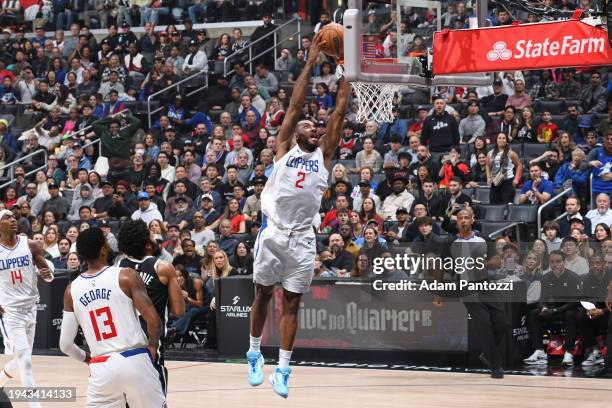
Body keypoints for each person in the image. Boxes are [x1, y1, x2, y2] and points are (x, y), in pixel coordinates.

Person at [246, 35, 352, 398]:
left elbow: (338, 109)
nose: (313, 126)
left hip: (304, 238)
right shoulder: (281, 150)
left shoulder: (323, 156)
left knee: (292, 303)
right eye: (307, 125)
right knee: (262, 296)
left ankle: (284, 368)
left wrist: (346, 69)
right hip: (273, 233)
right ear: (295, 134)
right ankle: (255, 352)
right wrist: (309, 61)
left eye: (314, 125)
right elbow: (294, 104)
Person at [59, 227, 167, 406]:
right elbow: (154, 320)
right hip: (135, 358)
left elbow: (65, 345)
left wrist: (88, 359)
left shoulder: (71, 290)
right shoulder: (126, 276)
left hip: (101, 367)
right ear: (103, 250)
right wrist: (153, 346)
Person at [116, 220, 185, 396]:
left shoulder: (118, 268)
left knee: (128, 396)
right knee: (155, 396)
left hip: (124, 340)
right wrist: (176, 290)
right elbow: (179, 311)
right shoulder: (162, 267)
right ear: (147, 244)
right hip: (150, 339)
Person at [0, 210, 54, 408]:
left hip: (30, 308)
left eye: (13, 217)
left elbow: (48, 276)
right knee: (25, 362)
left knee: (21, 360)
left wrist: (47, 274)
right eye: (6, 218)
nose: (12, 219)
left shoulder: (30, 245)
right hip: (10, 312)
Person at [451, 209, 508, 378]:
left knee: (502, 322)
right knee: (484, 324)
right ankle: (495, 365)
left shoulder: (483, 239)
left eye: (466, 217)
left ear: (472, 220)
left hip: (485, 285)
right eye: (460, 218)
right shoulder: (451, 242)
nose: (463, 220)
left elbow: (497, 262)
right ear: (457, 222)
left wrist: (483, 263)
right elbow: (442, 266)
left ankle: (487, 355)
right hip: (467, 287)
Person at [523, 250, 581, 366]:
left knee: (570, 314)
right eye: (552, 262)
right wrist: (544, 308)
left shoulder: (573, 277)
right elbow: (542, 298)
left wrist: (555, 310)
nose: (555, 264)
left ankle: (569, 352)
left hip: (568, 309)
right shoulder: (546, 277)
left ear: (564, 262)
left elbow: (574, 302)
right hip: (553, 309)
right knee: (534, 313)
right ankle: (539, 350)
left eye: (558, 261)